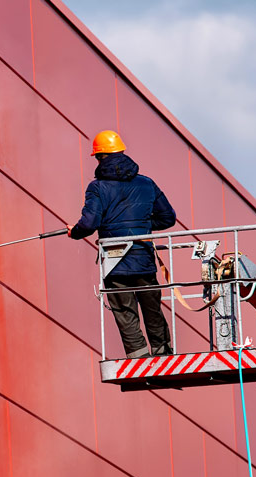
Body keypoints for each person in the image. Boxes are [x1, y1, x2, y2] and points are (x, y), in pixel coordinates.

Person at [67, 130, 176, 359]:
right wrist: (141, 227)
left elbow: (89, 224)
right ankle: (163, 352)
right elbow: (168, 218)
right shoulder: (147, 183)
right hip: (143, 257)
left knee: (124, 311)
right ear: (122, 152)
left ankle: (138, 356)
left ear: (100, 157)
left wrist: (74, 233)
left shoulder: (97, 187)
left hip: (115, 261)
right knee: (152, 307)